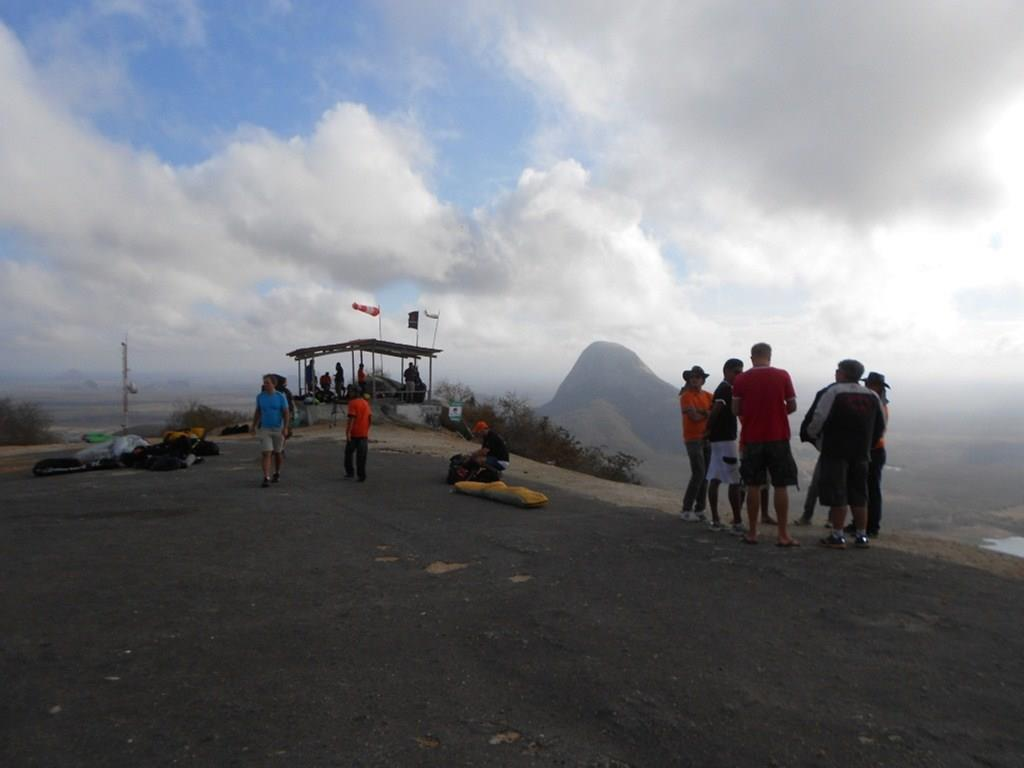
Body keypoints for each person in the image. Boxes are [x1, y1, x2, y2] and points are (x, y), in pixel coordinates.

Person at [802, 359, 886, 549]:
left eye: (838, 370)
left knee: (838, 491)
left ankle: (838, 535)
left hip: (835, 450)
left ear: (843, 373)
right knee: (859, 493)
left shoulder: (834, 392)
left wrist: (815, 437)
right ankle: (861, 536)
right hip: (861, 452)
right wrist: (868, 444)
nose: (835, 373)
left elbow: (819, 418)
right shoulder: (872, 396)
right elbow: (881, 426)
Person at [731, 342, 800, 546]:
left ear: (752, 357)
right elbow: (793, 405)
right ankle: (783, 535)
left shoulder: (742, 379)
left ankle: (752, 532)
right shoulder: (782, 375)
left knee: (753, 484)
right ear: (770, 356)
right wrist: (777, 414)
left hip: (752, 437)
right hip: (778, 436)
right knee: (780, 485)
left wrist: (753, 415)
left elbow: (735, 410)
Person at [704, 358, 745, 533]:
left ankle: (715, 520)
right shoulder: (725, 389)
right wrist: (708, 429)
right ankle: (736, 523)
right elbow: (715, 412)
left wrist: (708, 433)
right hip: (726, 440)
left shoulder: (724, 389)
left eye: (741, 371)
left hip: (717, 440)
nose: (739, 375)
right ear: (726, 371)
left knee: (715, 478)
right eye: (736, 371)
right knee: (735, 481)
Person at [679, 365, 713, 523]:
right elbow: (694, 417)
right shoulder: (686, 396)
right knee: (699, 472)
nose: (694, 379)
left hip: (706, 438)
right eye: (692, 377)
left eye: (698, 377)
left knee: (705, 474)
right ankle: (686, 509)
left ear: (703, 380)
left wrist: (702, 413)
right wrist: (707, 413)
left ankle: (699, 509)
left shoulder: (708, 396)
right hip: (693, 438)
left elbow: (714, 414)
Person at [862, 372, 890, 537]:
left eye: (870, 384)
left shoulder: (878, 404)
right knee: (865, 489)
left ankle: (872, 527)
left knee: (871, 489)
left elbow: (878, 430)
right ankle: (863, 524)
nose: (867, 387)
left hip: (874, 450)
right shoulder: (879, 402)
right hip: (873, 449)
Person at [252, 374, 290, 488]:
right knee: (266, 452)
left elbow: (286, 412)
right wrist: (253, 425)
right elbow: (258, 411)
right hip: (265, 428)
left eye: (267, 382)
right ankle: (266, 477)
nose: (265, 384)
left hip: (278, 428)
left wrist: (286, 427)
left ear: (274, 384)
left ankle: (277, 472)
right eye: (264, 382)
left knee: (278, 452)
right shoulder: (260, 397)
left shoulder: (280, 396)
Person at [344, 386, 372, 481]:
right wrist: (367, 429)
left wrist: (348, 432)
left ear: (355, 392)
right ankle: (361, 475)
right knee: (362, 456)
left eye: (351, 391)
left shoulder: (352, 403)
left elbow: (352, 418)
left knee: (349, 453)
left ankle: (350, 472)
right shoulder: (365, 403)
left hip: (354, 433)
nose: (349, 393)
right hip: (364, 433)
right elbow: (370, 418)